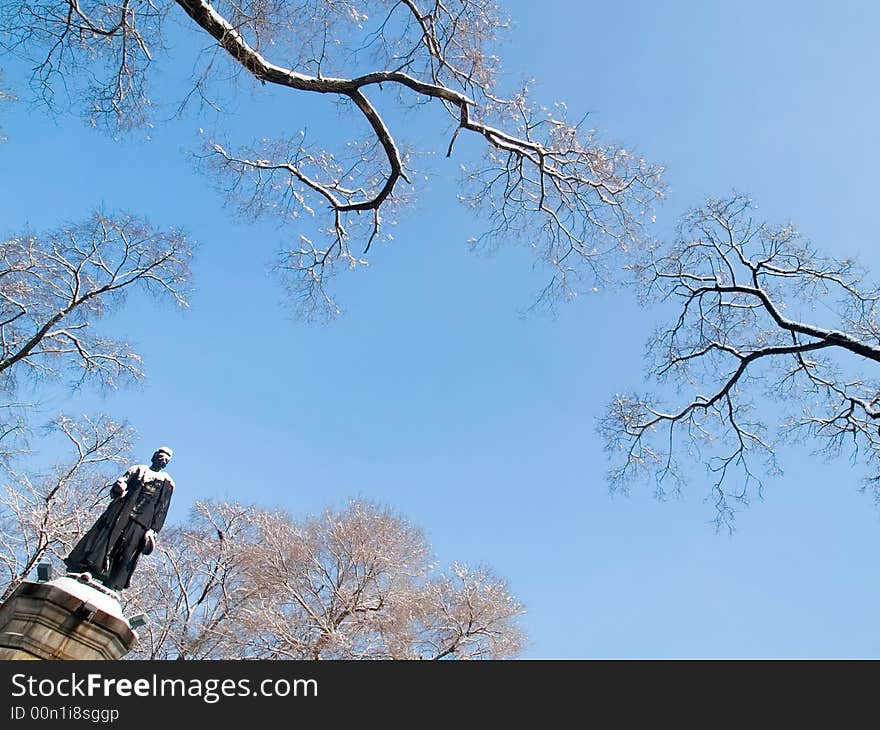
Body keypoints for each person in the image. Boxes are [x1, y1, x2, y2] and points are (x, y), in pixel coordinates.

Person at [64, 447, 175, 591]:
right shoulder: (138, 469)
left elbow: (162, 509)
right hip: (121, 511)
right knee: (105, 540)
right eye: (161, 457)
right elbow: (121, 483)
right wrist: (119, 487)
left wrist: (153, 530)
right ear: (154, 456)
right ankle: (89, 569)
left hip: (142, 522)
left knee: (127, 551)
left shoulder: (167, 482)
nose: (162, 460)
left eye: (166, 459)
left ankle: (112, 583)